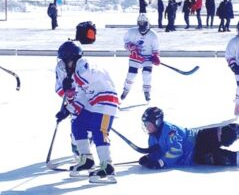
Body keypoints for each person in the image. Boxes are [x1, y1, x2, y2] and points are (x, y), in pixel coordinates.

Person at [55, 41, 119, 183]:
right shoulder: (74, 70)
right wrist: (68, 109)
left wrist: (70, 85)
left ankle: (107, 166)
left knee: (98, 130)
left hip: (106, 101)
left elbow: (84, 79)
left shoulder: (83, 65)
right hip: (92, 102)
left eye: (66, 61)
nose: (64, 64)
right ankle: (87, 159)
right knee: (77, 124)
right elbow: (82, 95)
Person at [138, 107, 239, 169]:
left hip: (199, 139)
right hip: (194, 157)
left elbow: (176, 151)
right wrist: (149, 158)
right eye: (145, 125)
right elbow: (157, 150)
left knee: (229, 135)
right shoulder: (152, 137)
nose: (147, 127)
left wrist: (160, 163)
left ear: (157, 122)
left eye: (148, 124)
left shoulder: (169, 131)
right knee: (223, 159)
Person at [120, 14, 160, 101]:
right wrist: (130, 47)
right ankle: (126, 90)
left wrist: (155, 56)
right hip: (135, 57)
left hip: (147, 58)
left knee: (147, 74)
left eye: (143, 23)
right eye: (140, 23)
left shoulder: (153, 35)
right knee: (131, 75)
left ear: (147, 23)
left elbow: (155, 49)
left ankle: (147, 91)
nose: (142, 25)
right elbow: (126, 43)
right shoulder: (131, 32)